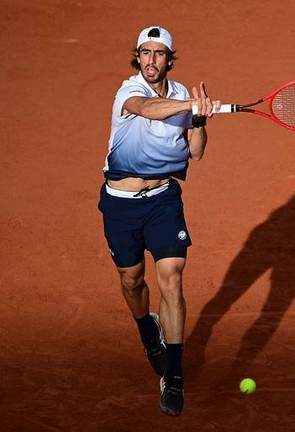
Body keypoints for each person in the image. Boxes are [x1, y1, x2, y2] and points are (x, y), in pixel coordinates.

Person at [97, 25, 220, 417]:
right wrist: (191, 108)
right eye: (144, 53)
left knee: (172, 277)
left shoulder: (183, 94)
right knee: (132, 279)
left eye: (158, 53)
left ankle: (175, 375)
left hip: (164, 200)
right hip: (120, 204)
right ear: (138, 58)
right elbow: (148, 110)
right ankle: (148, 332)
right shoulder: (128, 91)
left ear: (170, 58)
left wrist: (200, 121)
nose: (151, 60)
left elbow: (196, 154)